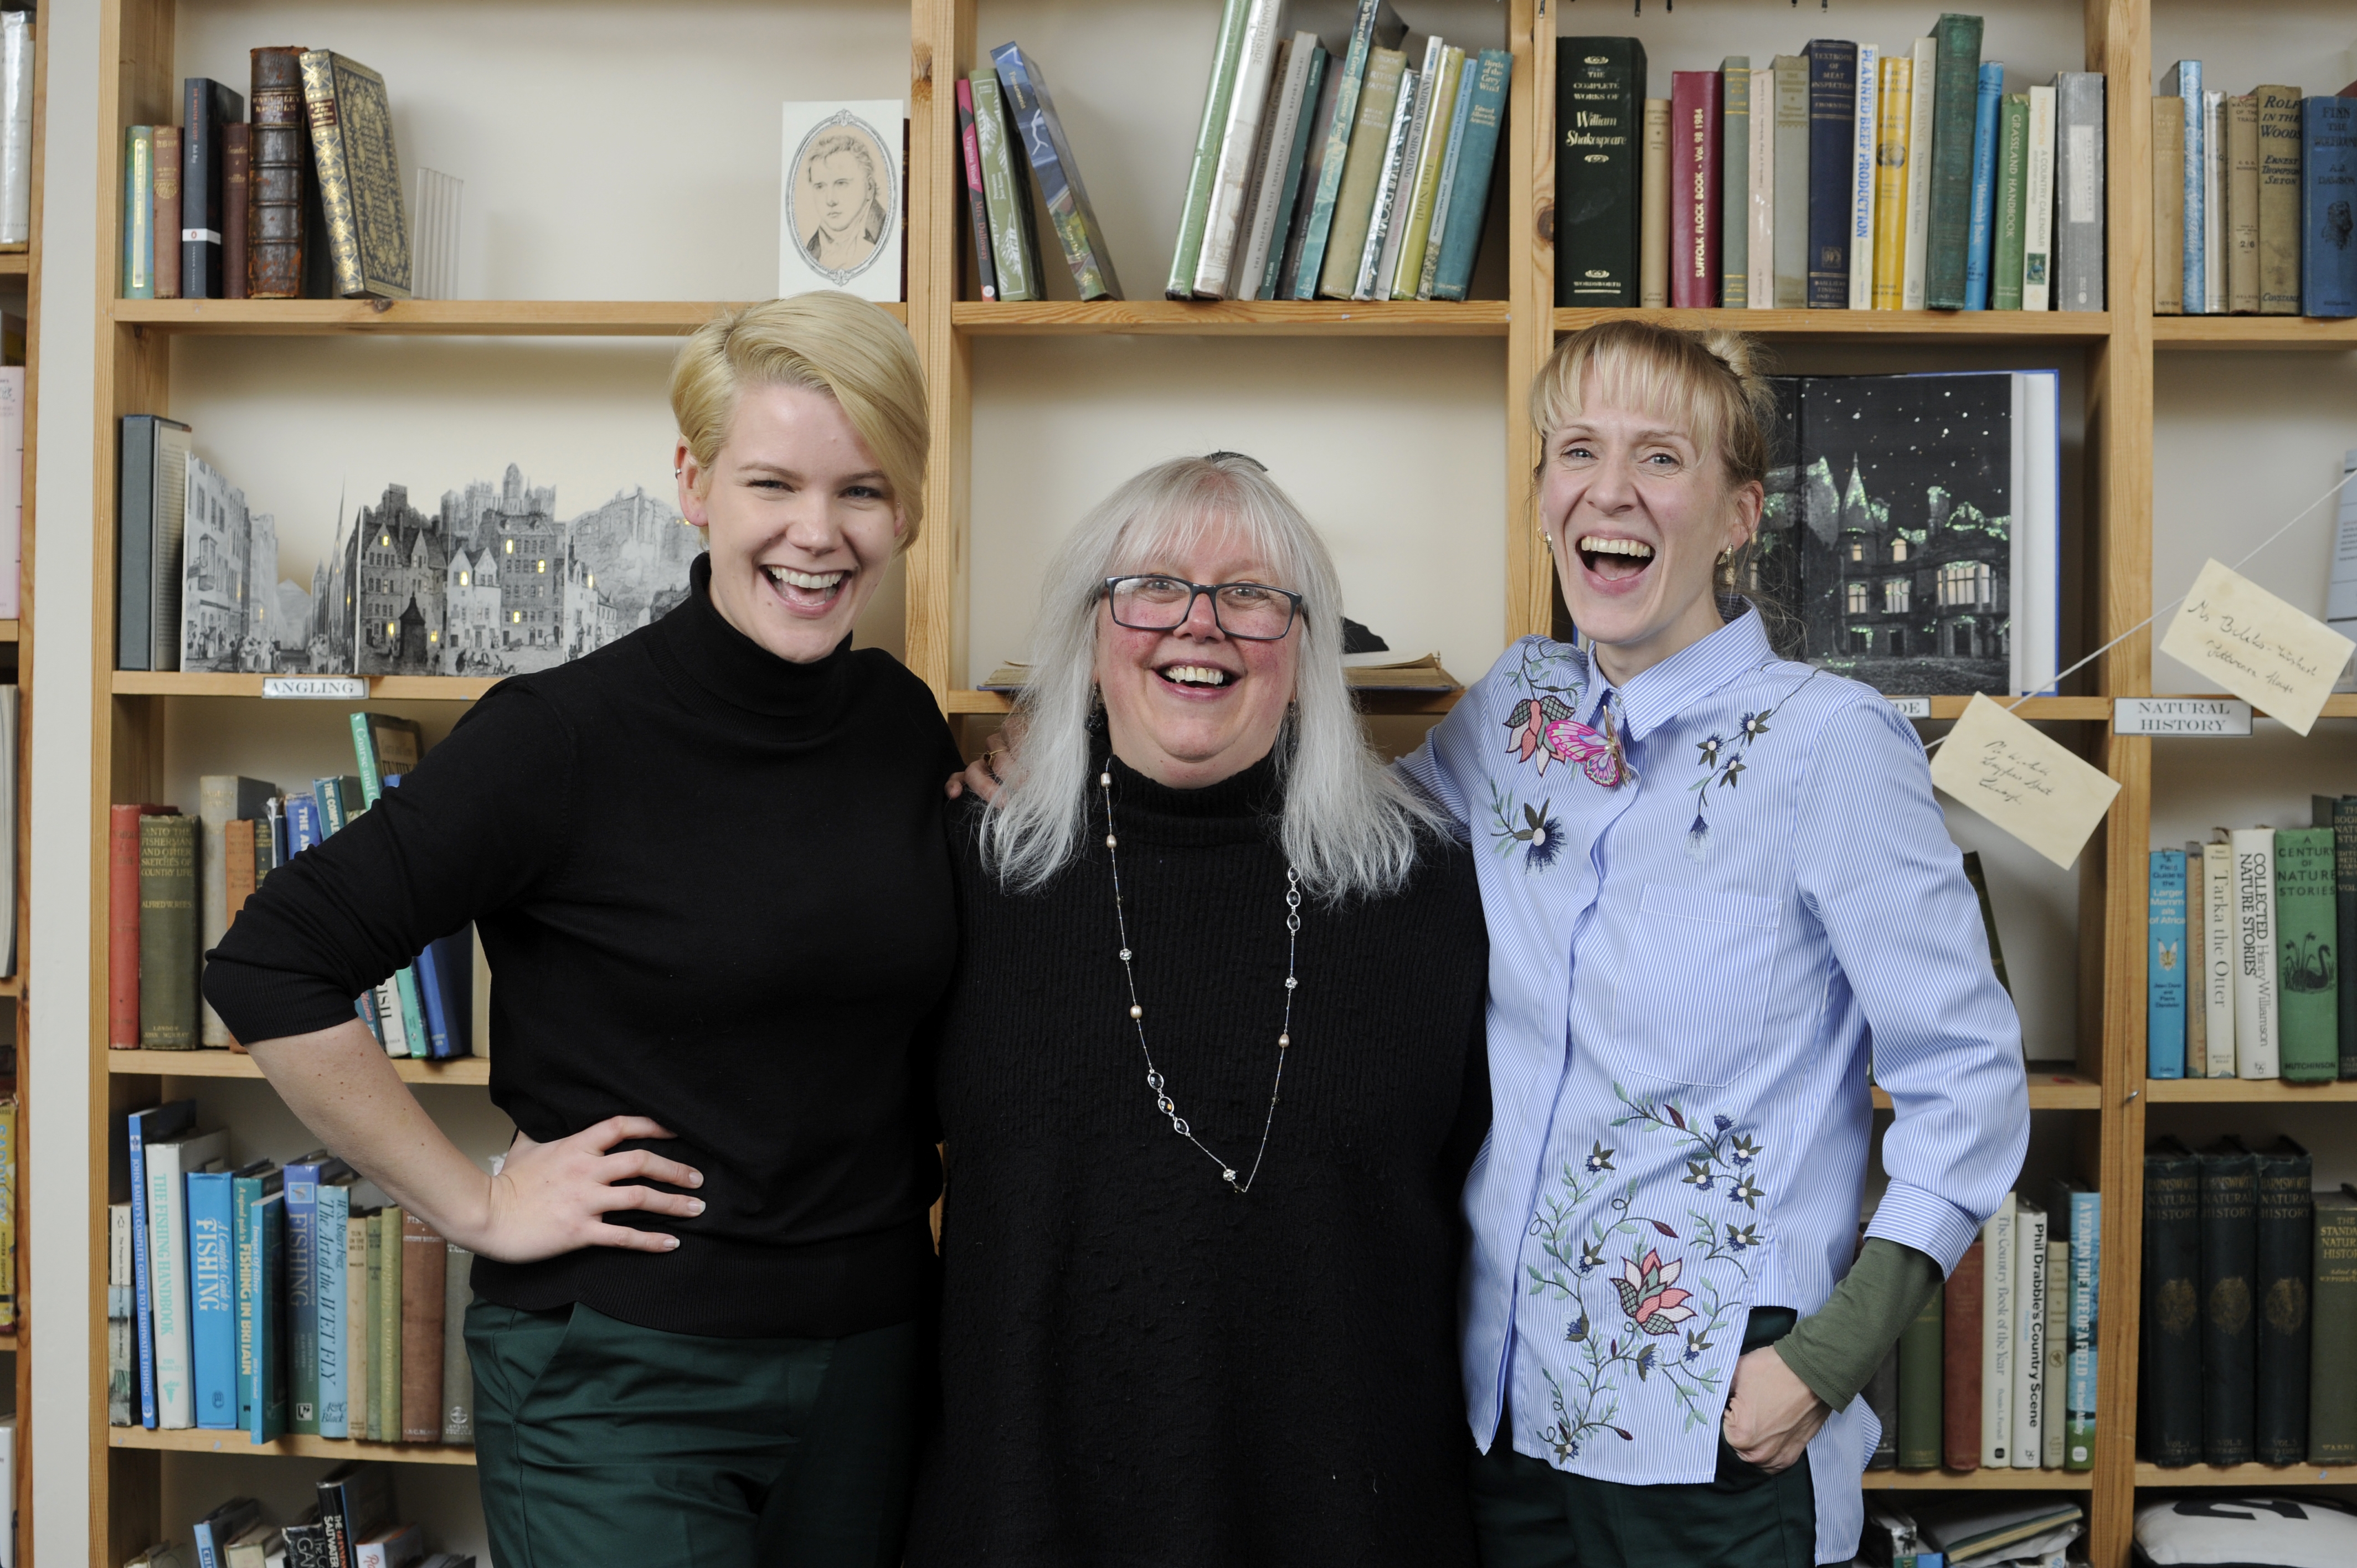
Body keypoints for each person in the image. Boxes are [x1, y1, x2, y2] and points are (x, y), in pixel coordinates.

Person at [204, 292, 954, 1568]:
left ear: (908, 509)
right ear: (694, 482)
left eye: (864, 491)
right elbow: (271, 958)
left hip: (873, 1360)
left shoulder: (899, 723)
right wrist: (475, 1203)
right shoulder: (558, 738)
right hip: (622, 1376)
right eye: (773, 481)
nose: (818, 533)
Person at [1401, 319, 2029, 1567]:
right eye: (1576, 451)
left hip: (1721, 1433)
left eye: (1661, 459)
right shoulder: (1515, 710)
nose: (1610, 490)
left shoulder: (1830, 743)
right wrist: (1057, 770)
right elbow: (1348, 838)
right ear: (1542, 497)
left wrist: (1824, 1362)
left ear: (1740, 516)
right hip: (1502, 1415)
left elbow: (1971, 1082)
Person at [907, 455, 1493, 1566]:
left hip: (1349, 1523)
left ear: (1310, 655)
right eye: (1153, 588)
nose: (1199, 624)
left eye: (1251, 596)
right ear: (1087, 641)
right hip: (1027, 1518)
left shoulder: (1426, 889)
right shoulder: (965, 875)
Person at [803, 131, 889, 273]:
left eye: (841, 184)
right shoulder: (811, 250)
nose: (830, 200)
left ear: (869, 187)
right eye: (820, 187)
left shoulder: (886, 235)